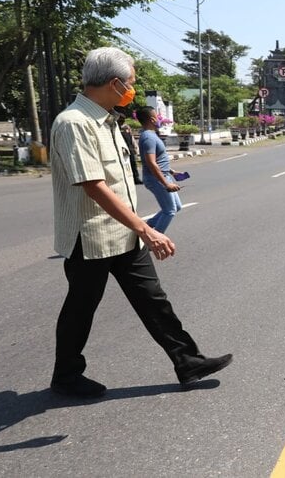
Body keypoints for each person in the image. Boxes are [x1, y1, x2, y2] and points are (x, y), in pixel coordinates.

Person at [49, 46, 231, 398]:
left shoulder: (108, 121)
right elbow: (93, 186)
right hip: (91, 237)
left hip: (122, 233)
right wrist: (147, 229)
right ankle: (66, 374)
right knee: (81, 307)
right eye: (131, 82)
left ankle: (187, 360)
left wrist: (136, 229)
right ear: (115, 84)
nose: (133, 88)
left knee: (153, 299)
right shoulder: (74, 123)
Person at [137, 106, 183, 234]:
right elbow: (151, 163)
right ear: (152, 119)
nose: (159, 119)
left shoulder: (151, 135)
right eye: (157, 117)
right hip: (155, 178)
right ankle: (153, 240)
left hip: (163, 175)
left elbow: (158, 160)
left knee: (177, 206)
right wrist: (166, 183)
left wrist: (171, 171)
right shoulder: (148, 137)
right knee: (169, 210)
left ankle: (148, 226)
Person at [117, 113, 143, 184]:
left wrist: (135, 148)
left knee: (133, 164)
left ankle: (136, 178)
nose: (122, 121)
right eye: (120, 120)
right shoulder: (116, 128)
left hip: (130, 149)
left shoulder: (126, 128)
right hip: (121, 150)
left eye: (123, 120)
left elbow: (131, 138)